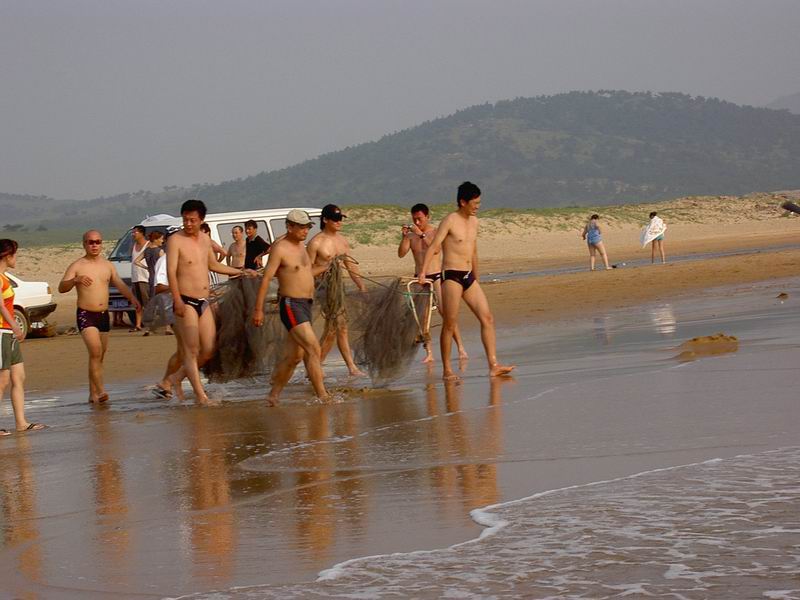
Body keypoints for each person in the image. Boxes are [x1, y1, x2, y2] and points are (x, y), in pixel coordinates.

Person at [418, 182, 515, 381]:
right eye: (475, 203)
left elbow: (474, 250)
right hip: (451, 276)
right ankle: (447, 369)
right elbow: (434, 246)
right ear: (463, 202)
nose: (478, 206)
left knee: (487, 318)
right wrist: (422, 273)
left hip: (468, 276)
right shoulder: (450, 220)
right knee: (450, 323)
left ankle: (493, 365)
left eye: (479, 202)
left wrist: (476, 276)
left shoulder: (474, 222)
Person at [167, 200, 255, 404]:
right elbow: (171, 271)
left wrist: (241, 271)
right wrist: (177, 299)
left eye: (192, 220)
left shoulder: (205, 239)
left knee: (208, 349)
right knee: (191, 350)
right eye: (185, 220)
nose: (188, 224)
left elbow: (214, 265)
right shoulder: (175, 240)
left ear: (201, 220)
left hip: (204, 301)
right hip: (185, 301)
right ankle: (201, 396)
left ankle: (176, 377)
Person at [252, 210, 329, 405]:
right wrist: (258, 309)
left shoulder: (302, 247)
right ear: (289, 227)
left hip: (306, 304)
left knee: (294, 357)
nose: (305, 231)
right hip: (291, 305)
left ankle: (273, 395)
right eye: (301, 227)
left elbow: (305, 273)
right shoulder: (280, 249)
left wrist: (325, 267)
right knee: (313, 348)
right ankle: (323, 396)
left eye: (307, 227)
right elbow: (266, 278)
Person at [59, 230, 141, 403]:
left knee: (99, 356)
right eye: (91, 242)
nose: (94, 245)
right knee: (95, 351)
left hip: (103, 315)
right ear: (84, 244)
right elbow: (61, 288)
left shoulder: (107, 265)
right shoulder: (77, 266)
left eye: (98, 242)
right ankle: (101, 391)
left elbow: (119, 284)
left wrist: (133, 299)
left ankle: (93, 393)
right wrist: (75, 280)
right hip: (85, 314)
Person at [398, 203, 468, 363]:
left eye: (420, 219)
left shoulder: (435, 232)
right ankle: (429, 352)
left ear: (427, 217)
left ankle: (460, 347)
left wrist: (421, 234)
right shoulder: (411, 236)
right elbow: (401, 254)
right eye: (414, 219)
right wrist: (404, 237)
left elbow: (435, 249)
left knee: (446, 314)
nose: (417, 222)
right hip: (420, 278)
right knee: (422, 317)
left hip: (436, 276)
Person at [307, 204, 367, 377]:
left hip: (338, 287)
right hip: (323, 288)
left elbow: (351, 266)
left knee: (340, 327)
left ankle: (349, 367)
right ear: (325, 220)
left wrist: (361, 285)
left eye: (340, 218)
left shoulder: (342, 241)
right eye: (335, 219)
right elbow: (306, 271)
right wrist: (323, 269)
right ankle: (316, 366)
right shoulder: (316, 243)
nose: (339, 222)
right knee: (335, 327)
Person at [0, 240, 45, 434]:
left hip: (8, 333)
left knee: (19, 376)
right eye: (15, 255)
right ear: (7, 256)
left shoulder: (4, 277)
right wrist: (14, 325)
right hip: (2, 331)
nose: (16, 258)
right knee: (3, 379)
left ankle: (21, 422)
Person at [136, 230, 168, 335]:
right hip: (160, 279)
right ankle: (167, 327)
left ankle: (148, 328)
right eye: (161, 239)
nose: (162, 241)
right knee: (165, 302)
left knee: (152, 304)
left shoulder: (147, 251)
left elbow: (136, 261)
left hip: (150, 278)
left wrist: (146, 267)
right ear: (156, 239)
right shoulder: (160, 251)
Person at [130, 225, 150, 332]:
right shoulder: (133, 246)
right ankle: (138, 324)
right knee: (137, 303)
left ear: (142, 233)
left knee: (147, 302)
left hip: (145, 278)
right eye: (132, 232)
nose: (133, 234)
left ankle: (149, 323)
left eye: (135, 232)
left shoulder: (148, 245)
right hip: (135, 278)